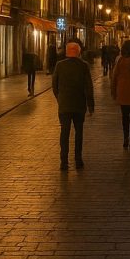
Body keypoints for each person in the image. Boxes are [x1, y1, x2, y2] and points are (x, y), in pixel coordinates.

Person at [52, 41, 95, 170]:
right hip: (79, 104)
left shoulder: (60, 65)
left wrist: (59, 98)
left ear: (66, 52)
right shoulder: (83, 66)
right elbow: (89, 87)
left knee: (64, 133)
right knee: (79, 132)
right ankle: (78, 159)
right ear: (79, 52)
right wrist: (90, 104)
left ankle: (64, 161)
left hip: (64, 105)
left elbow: (54, 85)